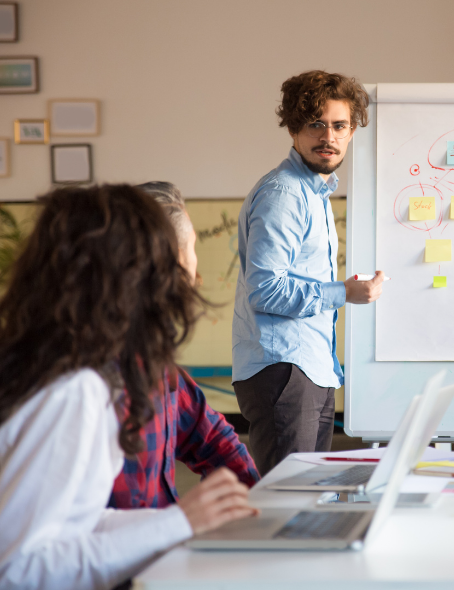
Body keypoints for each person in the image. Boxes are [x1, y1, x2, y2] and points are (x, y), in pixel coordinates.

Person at [0, 185, 257, 590]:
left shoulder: (68, 365)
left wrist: (184, 522)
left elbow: (80, 521)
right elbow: (16, 569)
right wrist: (181, 521)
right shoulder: (77, 390)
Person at [232, 70, 384, 475]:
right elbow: (265, 290)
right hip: (284, 368)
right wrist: (344, 293)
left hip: (307, 366)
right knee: (290, 505)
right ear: (294, 128)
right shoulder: (285, 194)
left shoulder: (313, 192)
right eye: (316, 124)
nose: (328, 137)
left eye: (339, 125)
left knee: (309, 499)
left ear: (353, 131)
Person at [108, 181, 259, 511]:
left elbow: (210, 436)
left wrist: (260, 501)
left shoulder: (155, 361)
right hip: (131, 556)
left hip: (162, 546)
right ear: (165, 260)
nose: (197, 271)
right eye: (192, 248)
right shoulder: (100, 374)